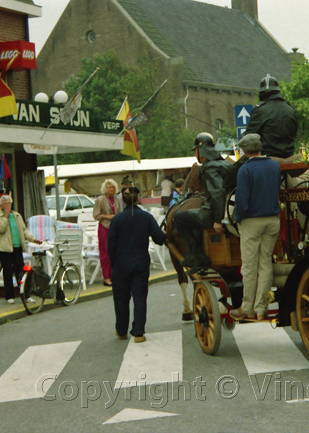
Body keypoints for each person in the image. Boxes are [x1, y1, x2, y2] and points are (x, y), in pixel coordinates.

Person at [229, 134, 281, 321]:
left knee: (249, 266)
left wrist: (238, 218)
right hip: (272, 220)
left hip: (252, 221)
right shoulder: (274, 165)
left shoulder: (245, 170)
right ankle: (262, 307)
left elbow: (241, 200)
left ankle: (247, 307)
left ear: (244, 151)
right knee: (265, 264)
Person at [108, 186, 166, 342]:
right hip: (140, 262)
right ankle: (138, 332)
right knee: (140, 297)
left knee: (120, 298)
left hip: (120, 263)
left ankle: (121, 330)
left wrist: (114, 265)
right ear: (137, 198)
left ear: (124, 200)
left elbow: (111, 245)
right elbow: (159, 238)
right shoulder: (146, 217)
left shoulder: (117, 219)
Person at [174, 132, 232, 272]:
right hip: (230, 209)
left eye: (195, 151)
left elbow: (217, 193)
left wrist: (218, 220)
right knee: (193, 217)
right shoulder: (225, 164)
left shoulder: (209, 167)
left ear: (201, 151)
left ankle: (197, 256)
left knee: (179, 218)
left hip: (216, 213)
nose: (195, 155)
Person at [0, 195, 41, 303]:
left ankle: (26, 294)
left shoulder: (17, 215)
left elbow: (24, 231)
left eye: (9, 203)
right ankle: (9, 296)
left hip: (17, 248)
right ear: (1, 206)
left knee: (20, 271)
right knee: (7, 272)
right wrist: (5, 217)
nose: (7, 205)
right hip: (5, 249)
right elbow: (0, 229)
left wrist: (33, 239)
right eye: (5, 203)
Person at [244, 74, 298, 161]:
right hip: (289, 157)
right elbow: (294, 133)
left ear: (261, 93)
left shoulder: (259, 110)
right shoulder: (290, 110)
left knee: (233, 170)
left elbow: (249, 137)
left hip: (266, 159)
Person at [93, 179, 120, 287]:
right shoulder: (100, 200)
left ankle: (114, 275)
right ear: (105, 188)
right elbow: (96, 215)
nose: (111, 189)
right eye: (109, 187)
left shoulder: (117, 200)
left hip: (115, 227)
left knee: (115, 251)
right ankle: (106, 277)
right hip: (104, 227)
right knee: (105, 253)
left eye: (113, 187)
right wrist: (108, 216)